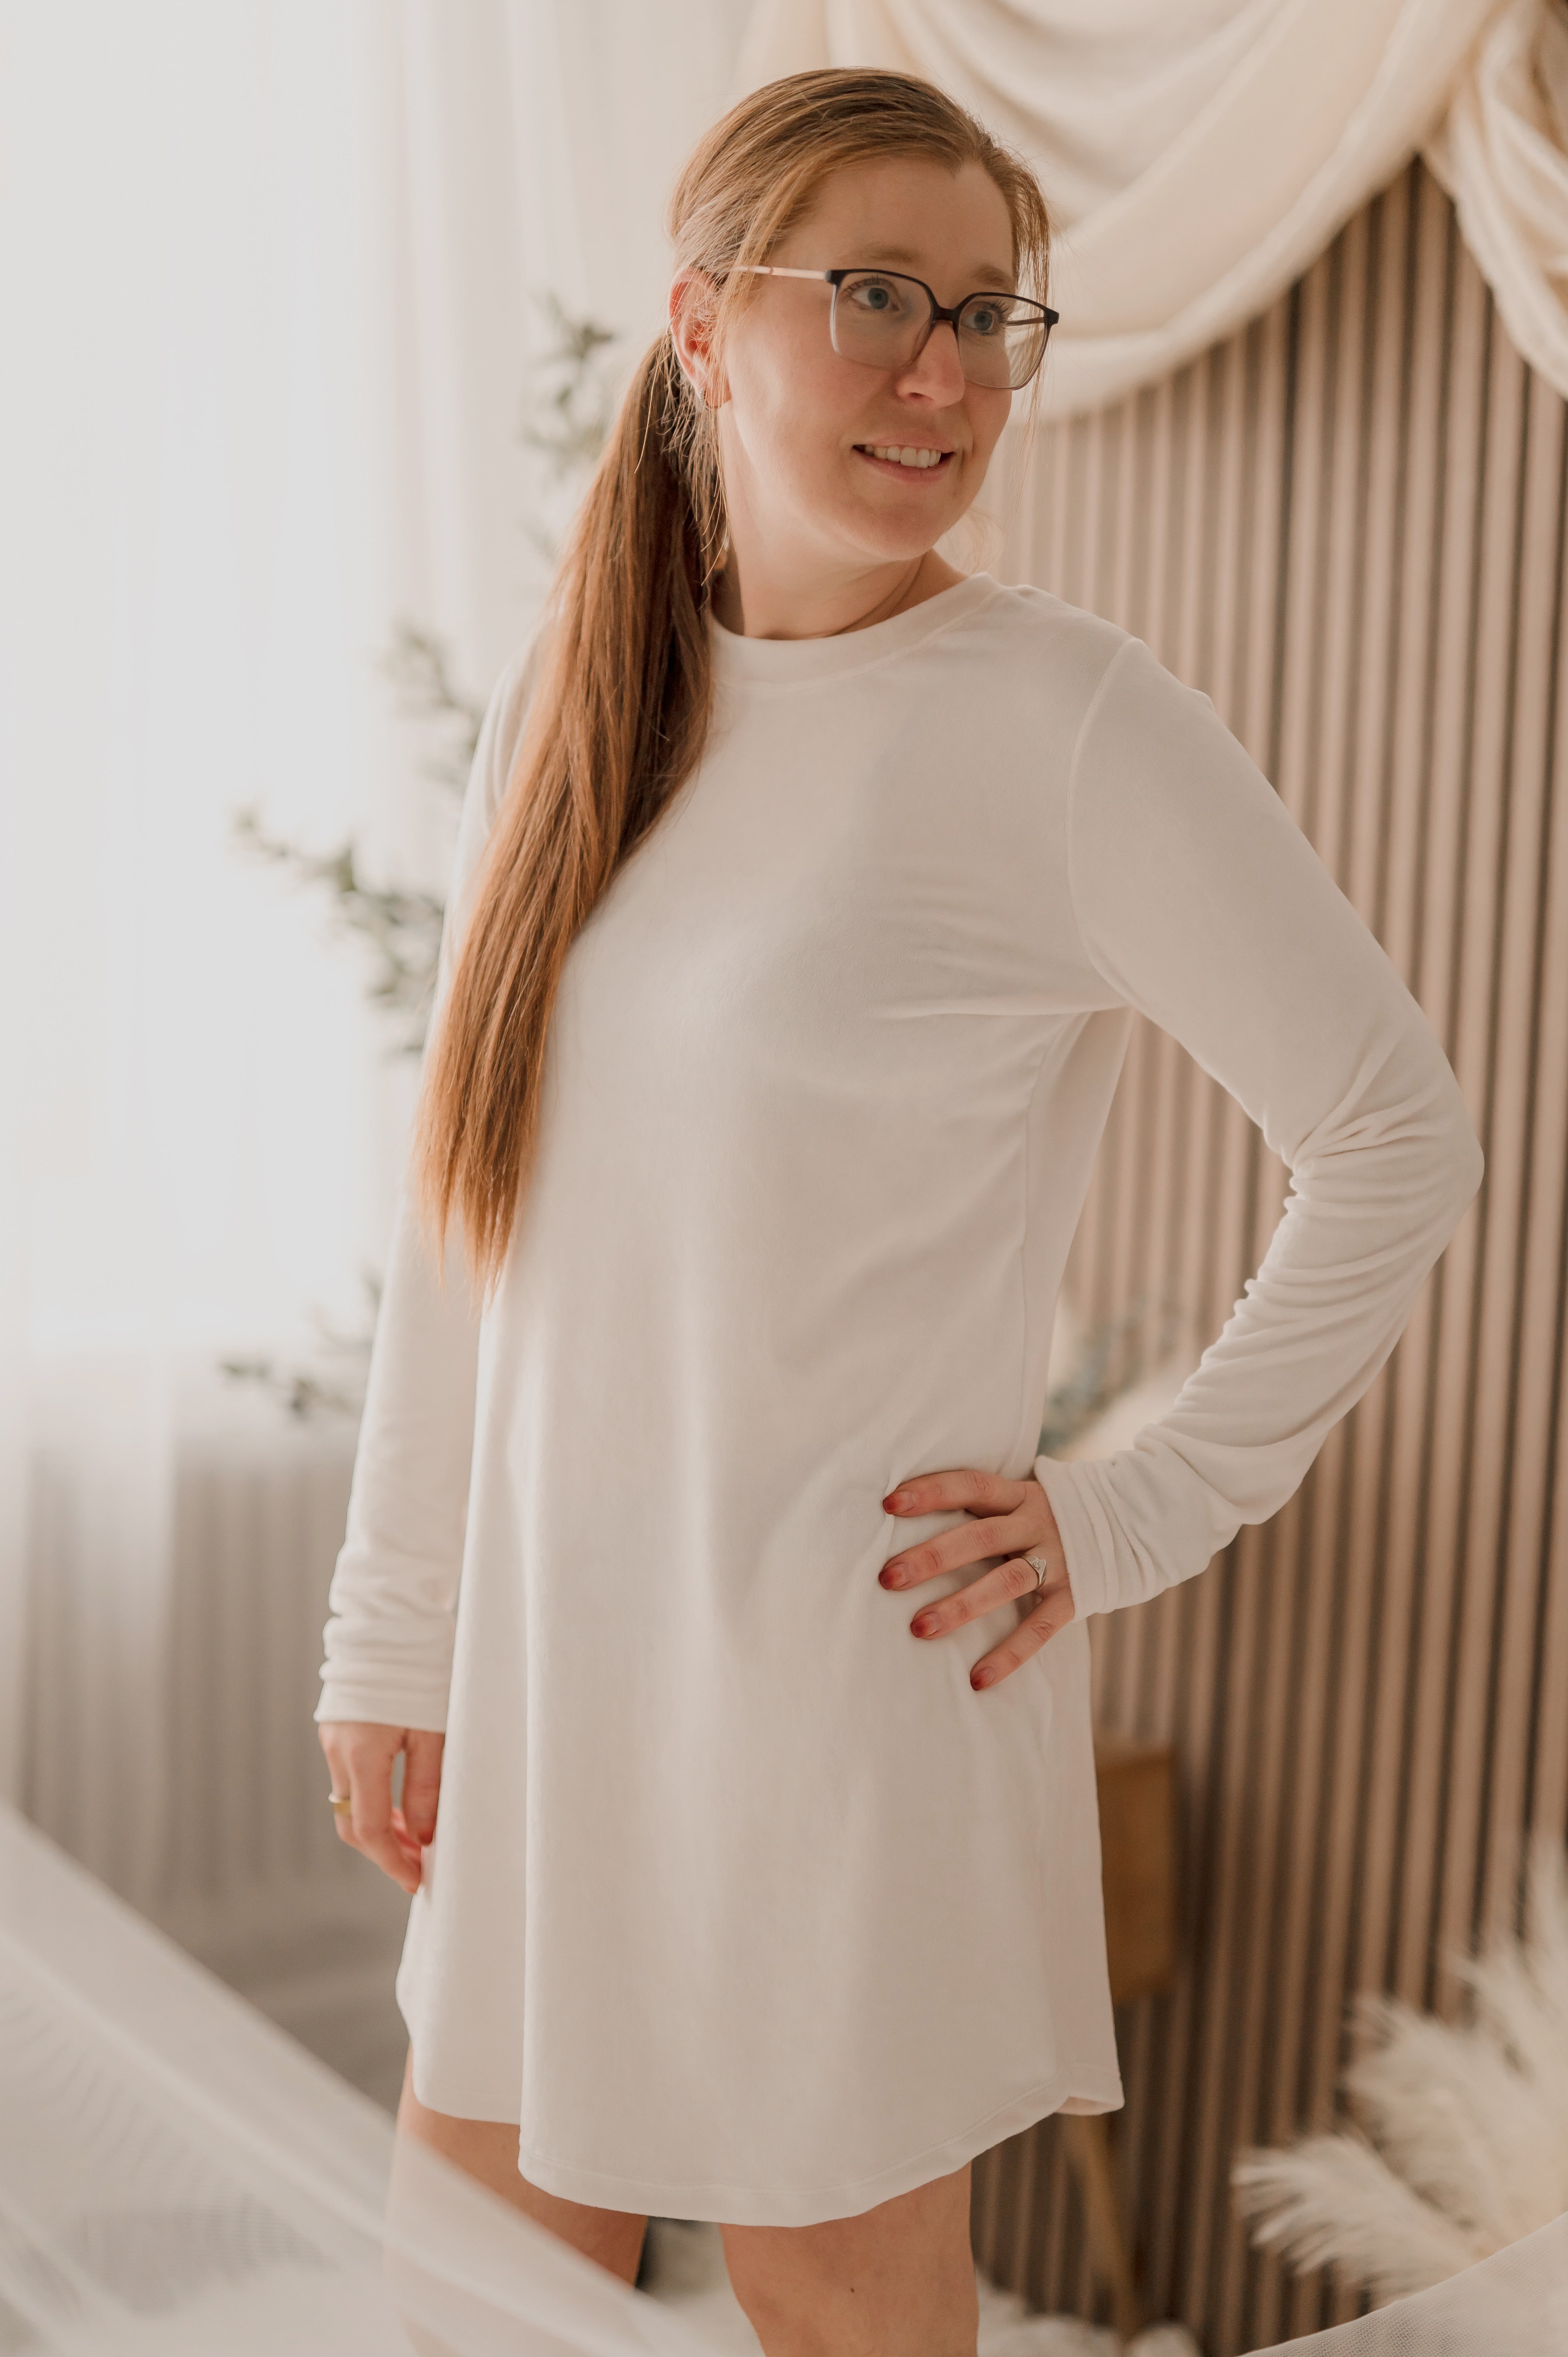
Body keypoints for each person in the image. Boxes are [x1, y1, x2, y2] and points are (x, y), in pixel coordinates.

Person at [314, 66, 1483, 2357]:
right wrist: (393, 1630)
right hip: (561, 1675)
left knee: (836, 2314)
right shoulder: (577, 692)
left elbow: (1394, 1136)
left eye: (986, 313)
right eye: (875, 296)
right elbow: (475, 1201)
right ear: (702, 323)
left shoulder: (1066, 723)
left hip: (840, 1695)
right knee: (464, 2316)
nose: (943, 373)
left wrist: (1133, 1511)